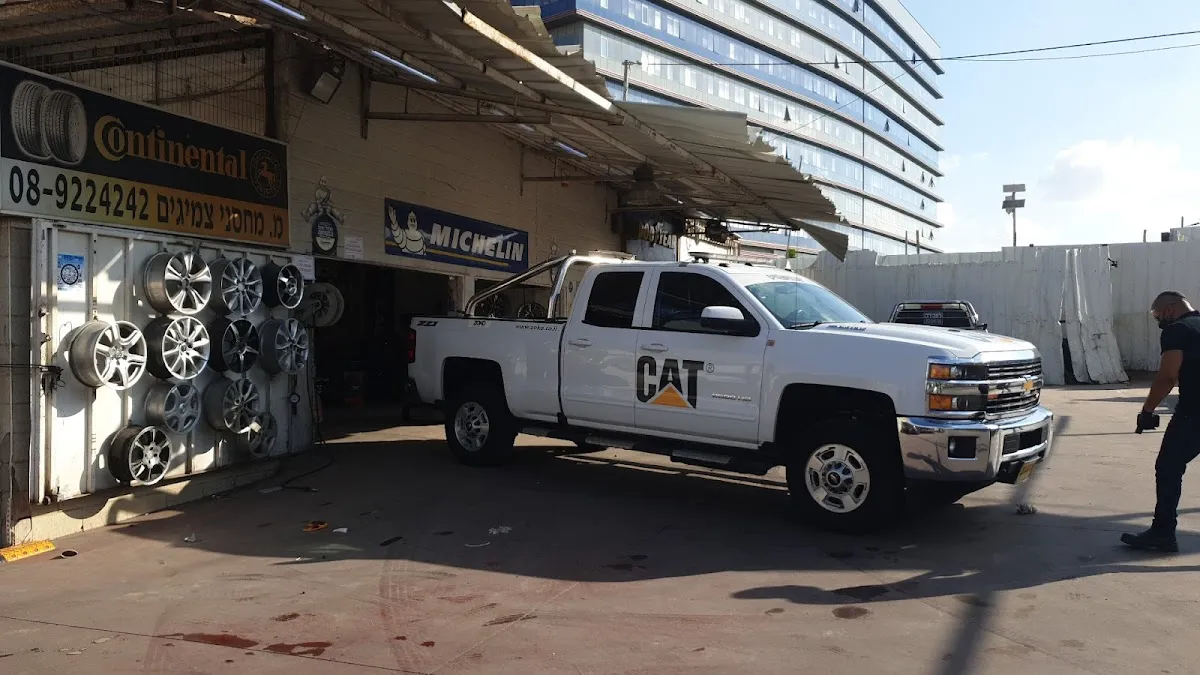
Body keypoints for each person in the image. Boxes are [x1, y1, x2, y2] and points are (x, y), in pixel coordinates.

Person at [1121, 291, 1200, 552]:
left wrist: (1147, 411)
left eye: (1158, 317)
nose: (1159, 323)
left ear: (1169, 309)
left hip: (1193, 414)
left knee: (1168, 468)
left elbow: (1167, 376)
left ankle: (1163, 533)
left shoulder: (1177, 331)